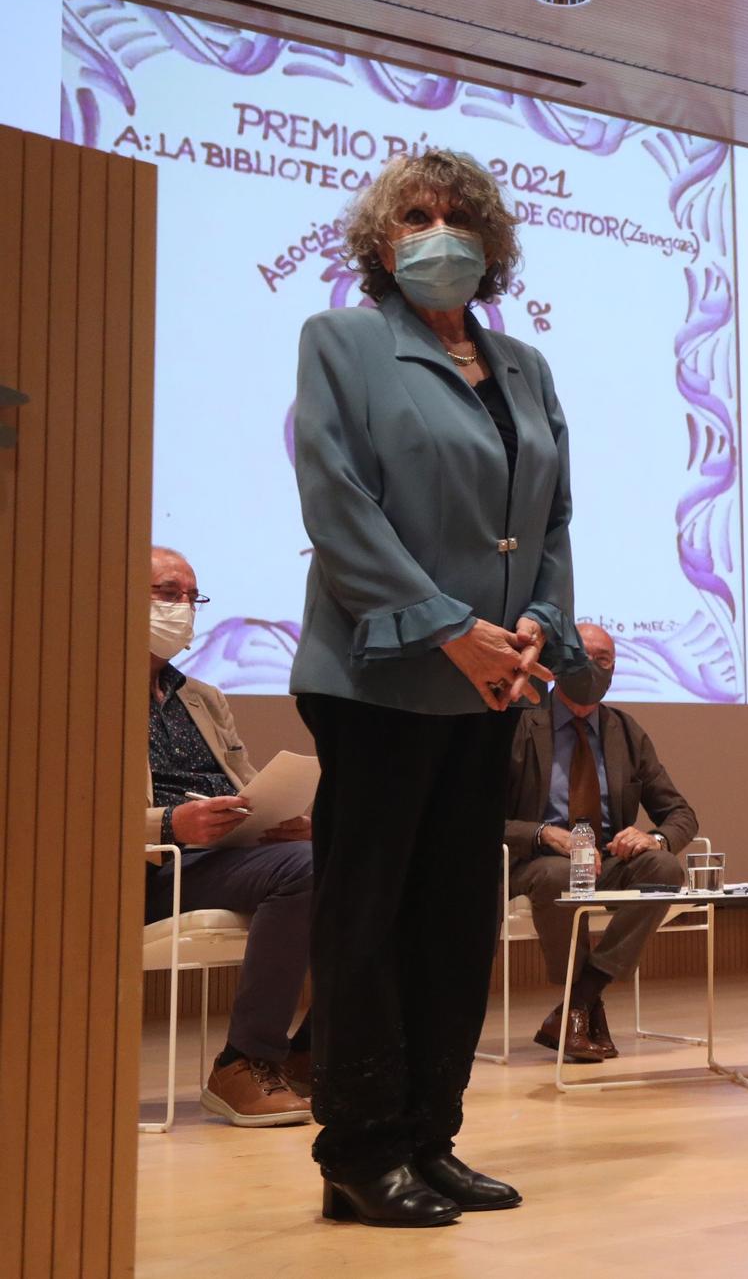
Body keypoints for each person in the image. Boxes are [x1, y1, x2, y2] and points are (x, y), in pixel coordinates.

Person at [291, 149, 584, 1225]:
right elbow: (339, 504)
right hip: (376, 679)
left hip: (491, 687)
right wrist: (448, 629)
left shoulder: (523, 367)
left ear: (493, 240)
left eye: (459, 215)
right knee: (366, 921)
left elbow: (552, 521)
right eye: (414, 215)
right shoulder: (342, 343)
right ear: (380, 240)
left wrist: (536, 630)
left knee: (458, 922)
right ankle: (360, 1150)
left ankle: (430, 1136)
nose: (439, 230)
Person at [143, 545, 314, 1125]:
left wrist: (278, 814)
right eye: (168, 594)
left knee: (353, 860)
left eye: (192, 598)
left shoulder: (203, 697)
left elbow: (246, 784)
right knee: (309, 870)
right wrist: (171, 822)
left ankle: (311, 1052)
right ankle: (242, 1063)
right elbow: (66, 813)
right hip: (152, 866)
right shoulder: (80, 692)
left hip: (225, 856)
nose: (184, 609)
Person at [502, 622, 700, 1062]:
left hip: (604, 863)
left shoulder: (625, 732)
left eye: (604, 660)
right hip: (531, 863)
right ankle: (584, 1009)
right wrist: (543, 834)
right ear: (555, 661)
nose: (593, 667)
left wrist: (654, 838)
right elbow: (477, 815)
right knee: (557, 873)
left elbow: (681, 814)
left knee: (665, 869)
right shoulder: (519, 723)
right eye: (583, 656)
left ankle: (577, 1004)